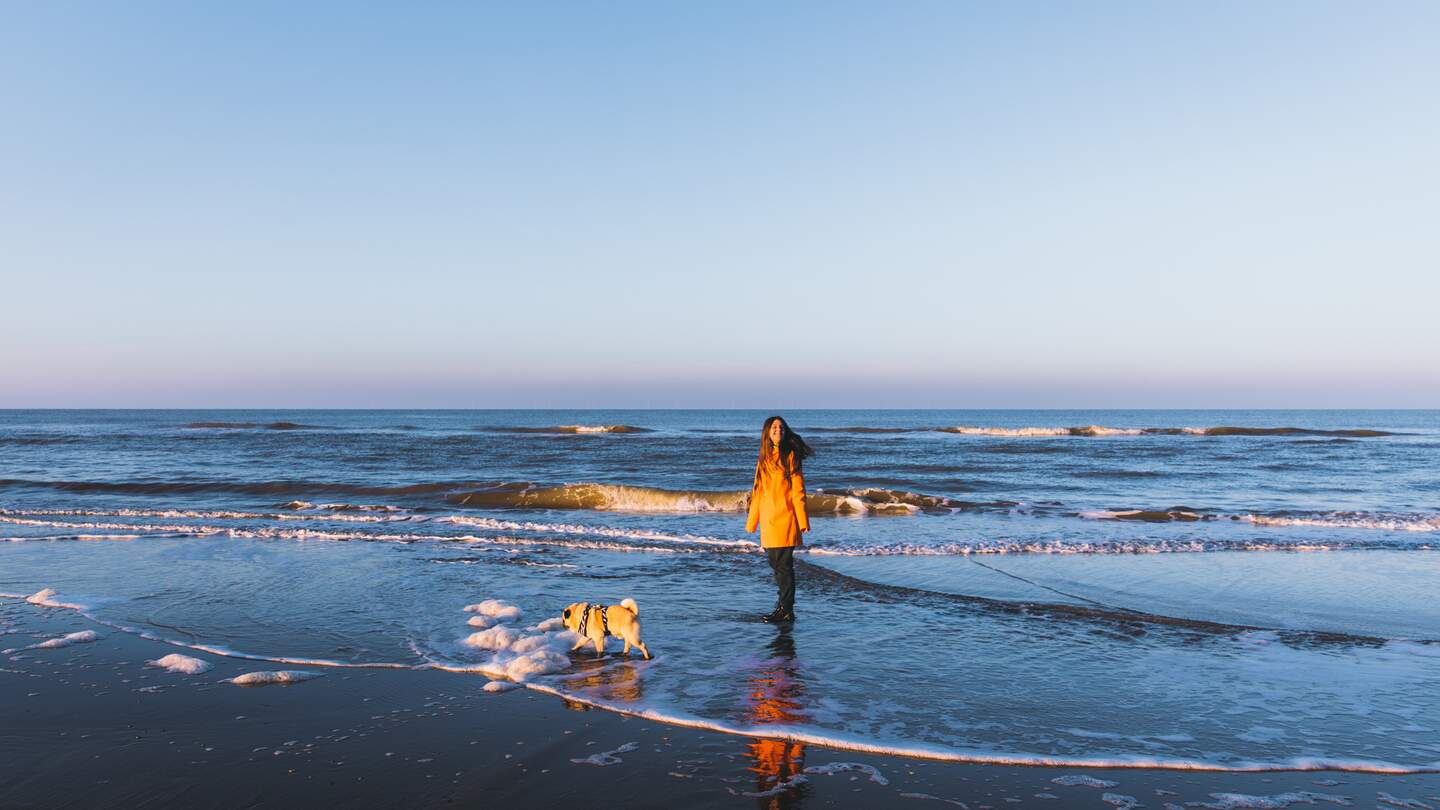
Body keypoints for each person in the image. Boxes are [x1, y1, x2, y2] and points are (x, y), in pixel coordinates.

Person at [745, 416, 813, 623]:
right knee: (775, 564)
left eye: (781, 427)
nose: (778, 429)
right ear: (767, 431)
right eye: (774, 427)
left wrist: (803, 521)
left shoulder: (791, 456)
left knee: (784, 566)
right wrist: (752, 521)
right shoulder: (763, 458)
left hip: (786, 517)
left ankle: (786, 609)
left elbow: (798, 491)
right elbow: (757, 492)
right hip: (768, 519)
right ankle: (783, 607)